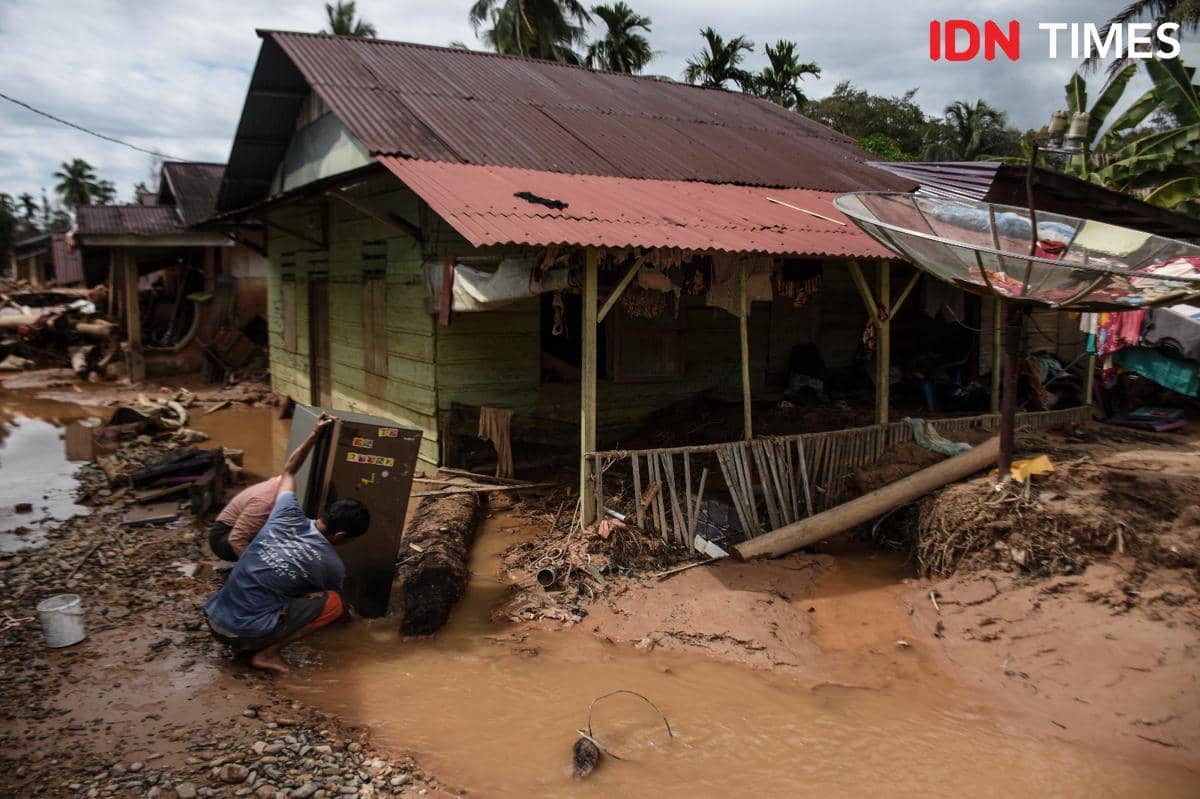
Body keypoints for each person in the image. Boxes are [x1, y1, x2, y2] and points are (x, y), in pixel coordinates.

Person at [203, 413, 370, 673]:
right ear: (340, 536)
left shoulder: (286, 513)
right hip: (241, 632)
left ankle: (249, 636)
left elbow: (289, 470)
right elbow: (339, 607)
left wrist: (315, 433)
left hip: (214, 620)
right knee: (333, 603)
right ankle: (267, 654)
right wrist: (358, 629)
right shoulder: (331, 565)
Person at [208, 476, 282, 561]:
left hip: (231, 532)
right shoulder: (266, 501)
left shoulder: (278, 483)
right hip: (223, 538)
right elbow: (236, 540)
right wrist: (255, 564)